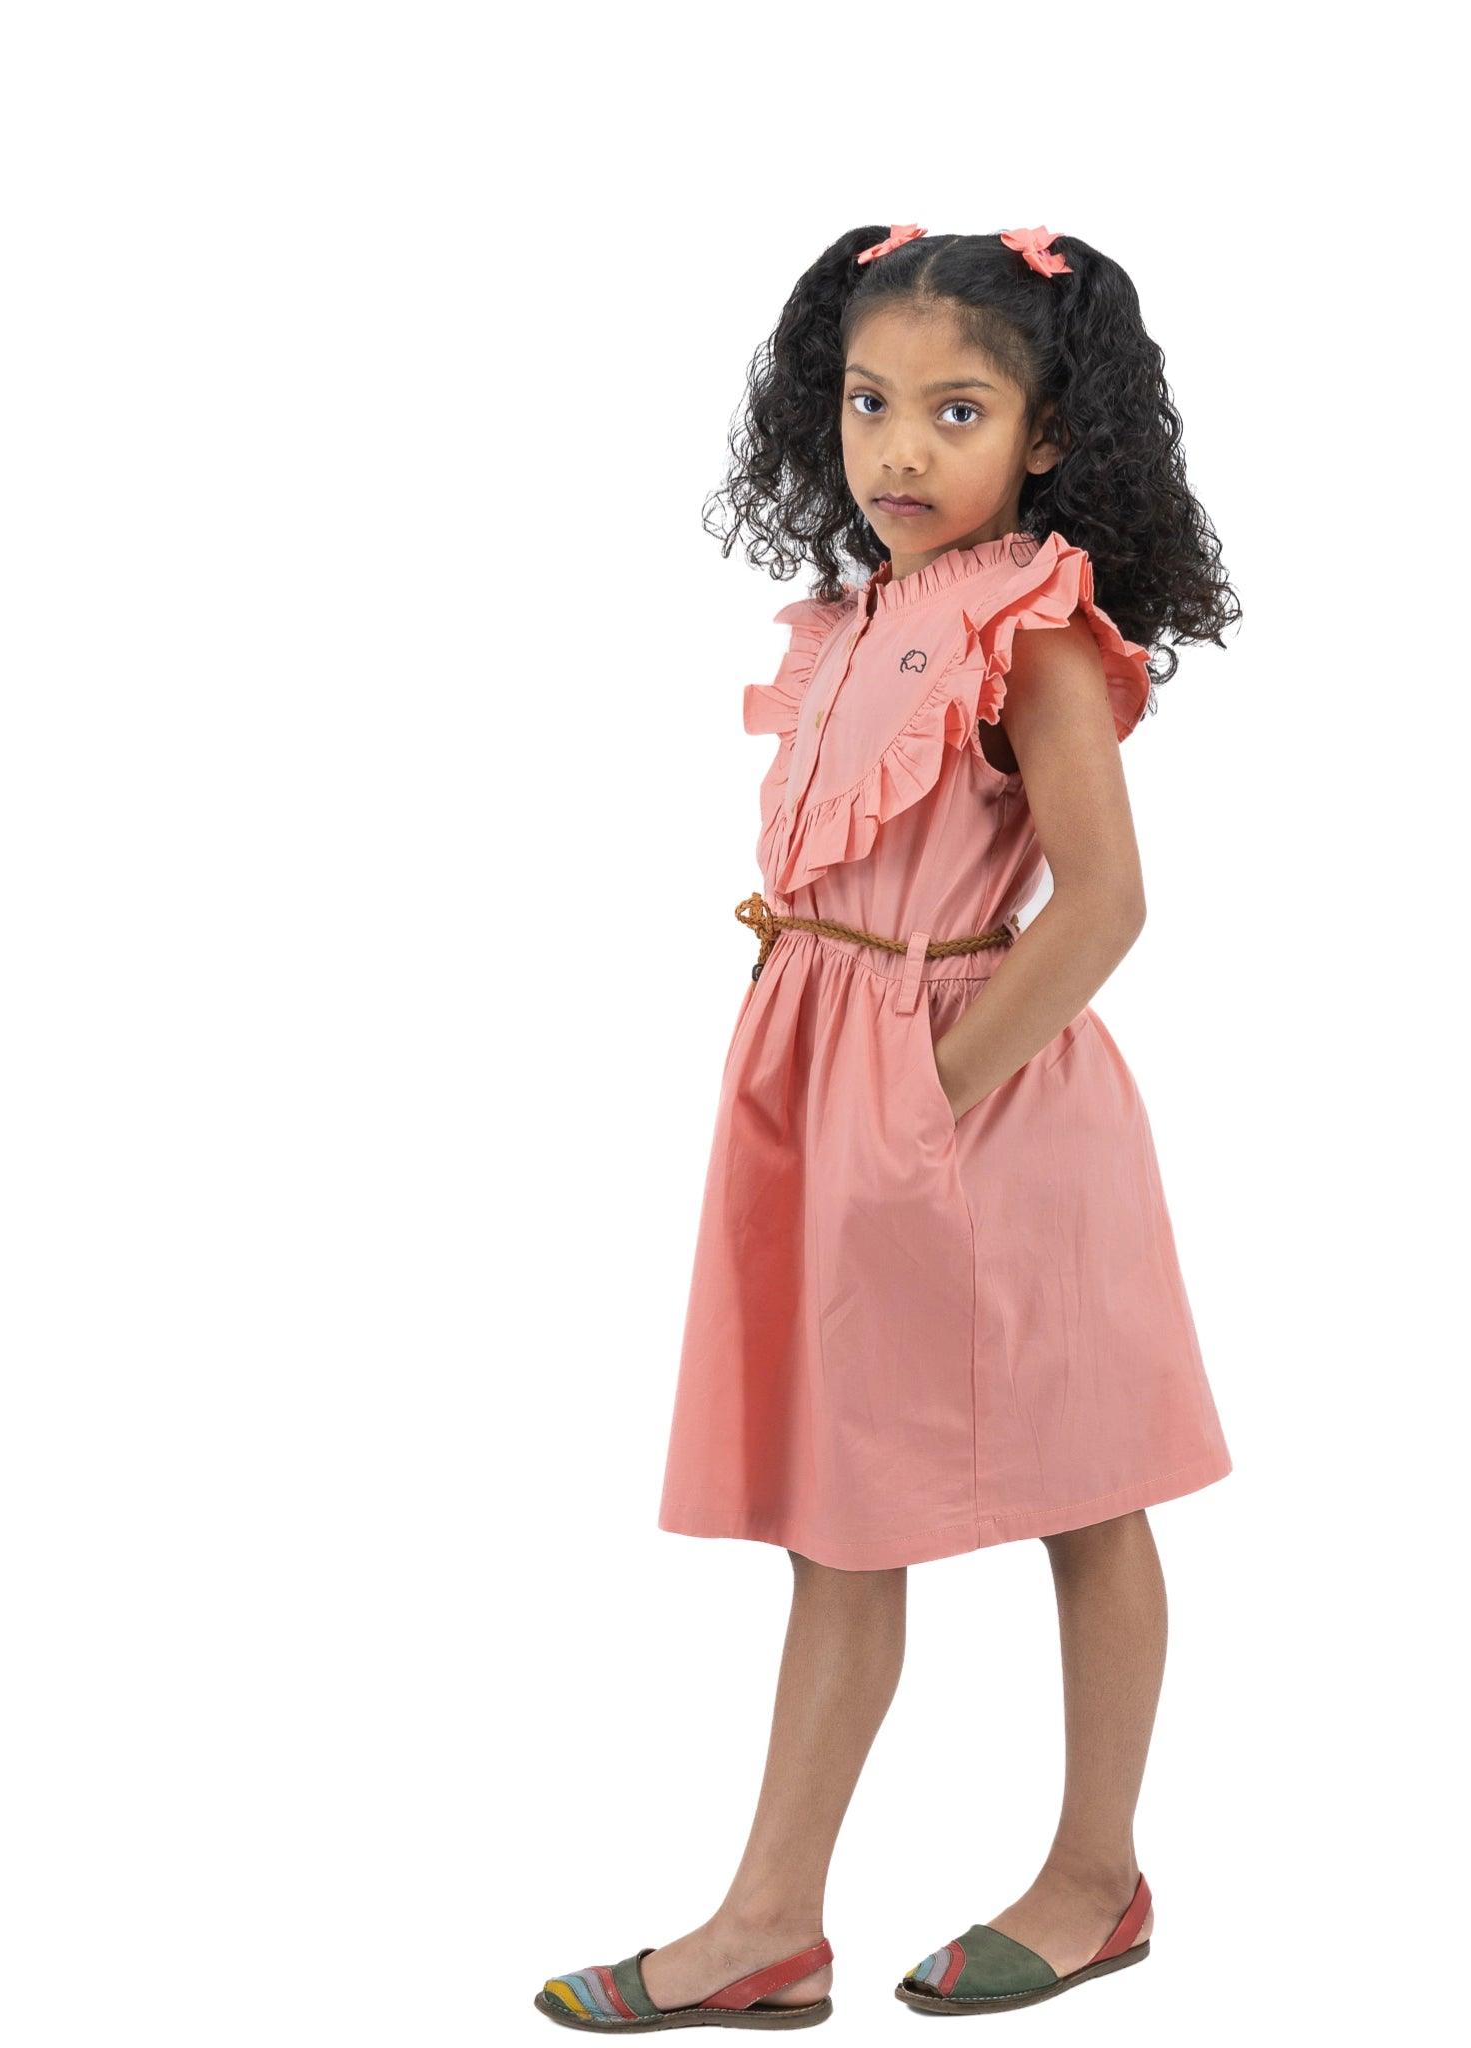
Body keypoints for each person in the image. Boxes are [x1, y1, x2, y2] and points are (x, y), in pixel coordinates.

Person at [537, 224, 1241, 2032]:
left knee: (1089, 1488)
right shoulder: (854, 621)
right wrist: (826, 1077)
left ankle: (1098, 1875)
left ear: (1051, 431)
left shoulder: (1042, 629)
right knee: (839, 1513)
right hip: (827, 1077)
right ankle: (770, 1920)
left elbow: (1102, 905)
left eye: (957, 408)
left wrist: (922, 1093)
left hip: (984, 1094)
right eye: (870, 404)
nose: (901, 450)